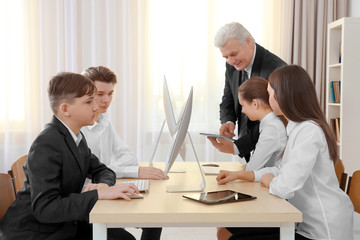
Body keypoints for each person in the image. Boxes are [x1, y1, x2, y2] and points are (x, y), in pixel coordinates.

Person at [217, 65, 354, 240]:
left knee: (234, 237)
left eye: (270, 93)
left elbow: (286, 186)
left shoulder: (309, 131)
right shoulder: (296, 127)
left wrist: (270, 181)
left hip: (322, 230)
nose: (268, 98)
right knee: (227, 230)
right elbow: (282, 170)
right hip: (302, 221)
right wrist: (245, 176)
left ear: (284, 96)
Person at [0, 72, 138, 240]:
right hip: (34, 231)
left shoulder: (76, 137)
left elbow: (103, 170)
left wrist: (102, 185)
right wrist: (97, 195)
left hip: (63, 222)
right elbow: (46, 209)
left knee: (124, 238)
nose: (95, 107)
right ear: (65, 109)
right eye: (89, 102)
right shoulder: (46, 144)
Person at [81, 66, 166, 240]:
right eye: (100, 94)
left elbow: (127, 157)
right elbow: (92, 172)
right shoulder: (79, 129)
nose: (106, 100)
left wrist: (125, 169)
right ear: (86, 93)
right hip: (88, 201)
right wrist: (134, 171)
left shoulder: (104, 122)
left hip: (107, 188)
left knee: (155, 219)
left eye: (110, 93)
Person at [214, 22, 287, 161]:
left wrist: (239, 146)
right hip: (248, 147)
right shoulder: (231, 65)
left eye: (233, 54)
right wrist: (228, 121)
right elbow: (228, 99)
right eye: (226, 57)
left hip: (271, 149)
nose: (230, 61)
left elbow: (274, 118)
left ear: (248, 43)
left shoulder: (276, 69)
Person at [208, 76, 286, 171]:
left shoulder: (272, 128)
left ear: (255, 104)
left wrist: (244, 170)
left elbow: (252, 168)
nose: (243, 111)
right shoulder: (269, 124)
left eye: (243, 106)